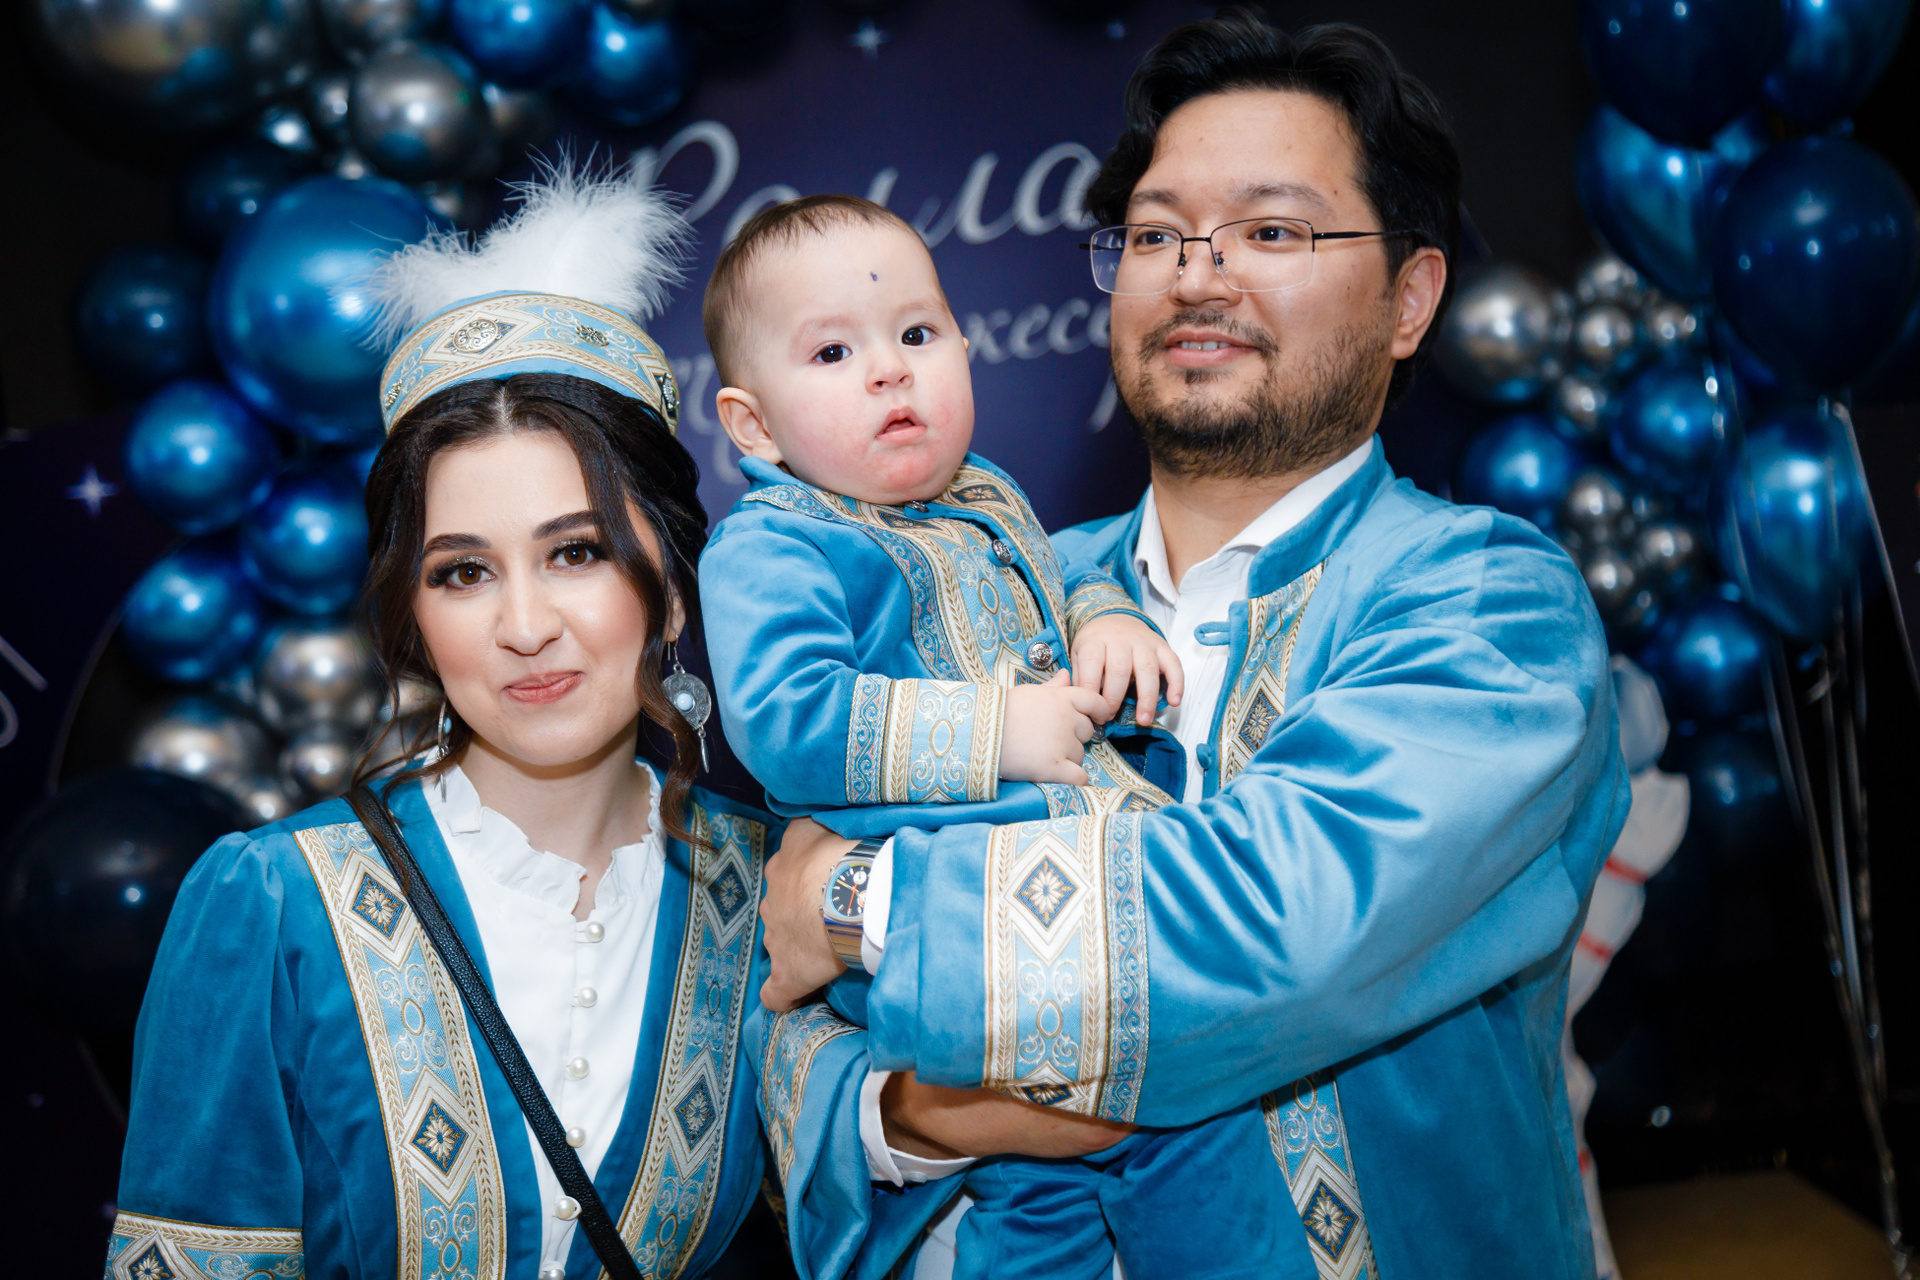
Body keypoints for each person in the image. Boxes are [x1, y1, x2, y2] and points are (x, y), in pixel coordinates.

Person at [753, 14, 1631, 1280]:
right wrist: (922, 1118)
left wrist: (856, 901)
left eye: (1271, 232)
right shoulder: (991, 590)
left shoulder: (1488, 606)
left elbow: (1273, 927)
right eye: (1157, 234)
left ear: (1410, 298)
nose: (1196, 277)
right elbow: (778, 1017)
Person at [107, 166, 784, 1280]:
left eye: (577, 552)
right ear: (414, 620)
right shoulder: (271, 905)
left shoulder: (774, 894)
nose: (525, 626)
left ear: (670, 588)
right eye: (464, 571)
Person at [697, 195, 1302, 1279]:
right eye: (833, 353)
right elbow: (789, 720)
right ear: (753, 427)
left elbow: (1059, 571)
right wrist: (995, 729)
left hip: (1086, 908)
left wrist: (1103, 616)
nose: (889, 371)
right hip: (941, 934)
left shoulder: (984, 491)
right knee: (1038, 1185)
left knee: (1201, 1155)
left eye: (916, 334)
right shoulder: (773, 548)